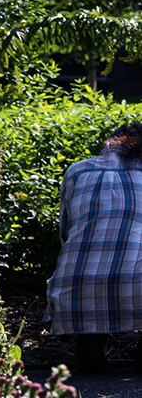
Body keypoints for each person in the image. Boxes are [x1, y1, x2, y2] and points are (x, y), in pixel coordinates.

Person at [45, 121, 142, 374]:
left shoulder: (77, 171)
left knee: (81, 258)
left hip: (73, 286)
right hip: (137, 285)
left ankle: (90, 344)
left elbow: (66, 231)